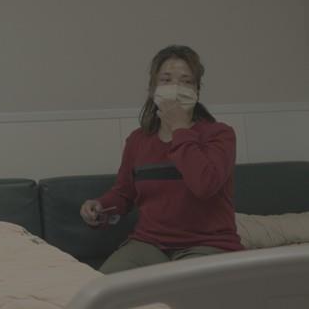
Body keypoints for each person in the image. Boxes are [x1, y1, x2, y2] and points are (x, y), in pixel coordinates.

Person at [80, 45, 243, 274]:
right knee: (104, 287)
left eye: (186, 81)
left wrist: (180, 129)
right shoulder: (138, 140)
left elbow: (205, 184)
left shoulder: (220, 134)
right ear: (153, 89)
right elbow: (124, 193)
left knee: (184, 290)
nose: (176, 88)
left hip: (207, 244)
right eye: (166, 80)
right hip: (149, 243)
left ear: (196, 91)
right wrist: (101, 207)